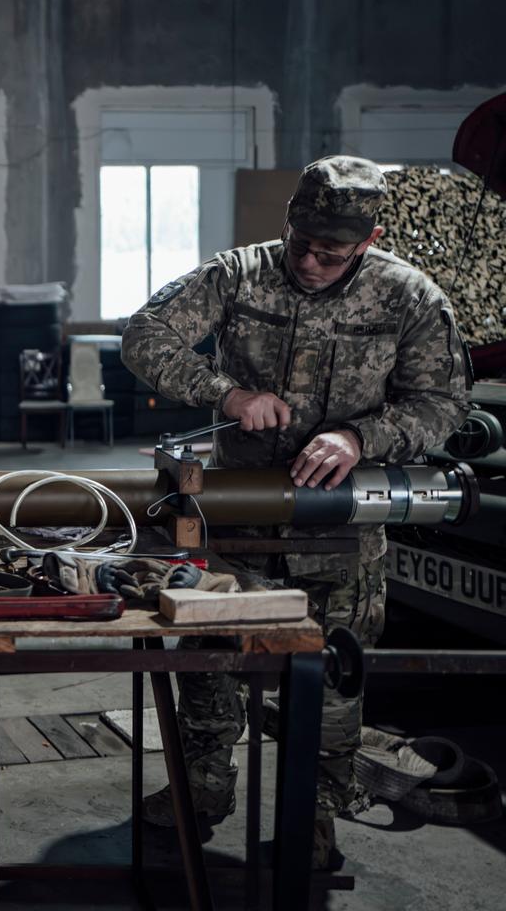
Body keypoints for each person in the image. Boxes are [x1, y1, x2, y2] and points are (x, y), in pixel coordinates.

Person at [120, 155, 470, 870]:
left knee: (332, 685)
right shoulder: (238, 275)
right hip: (235, 519)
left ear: (368, 241)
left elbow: (443, 404)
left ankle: (314, 818)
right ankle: (201, 791)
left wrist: (360, 438)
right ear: (288, 223)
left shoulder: (409, 297)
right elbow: (144, 335)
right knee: (209, 666)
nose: (309, 262)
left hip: (340, 530)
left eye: (330, 253)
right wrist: (226, 393)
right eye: (300, 243)